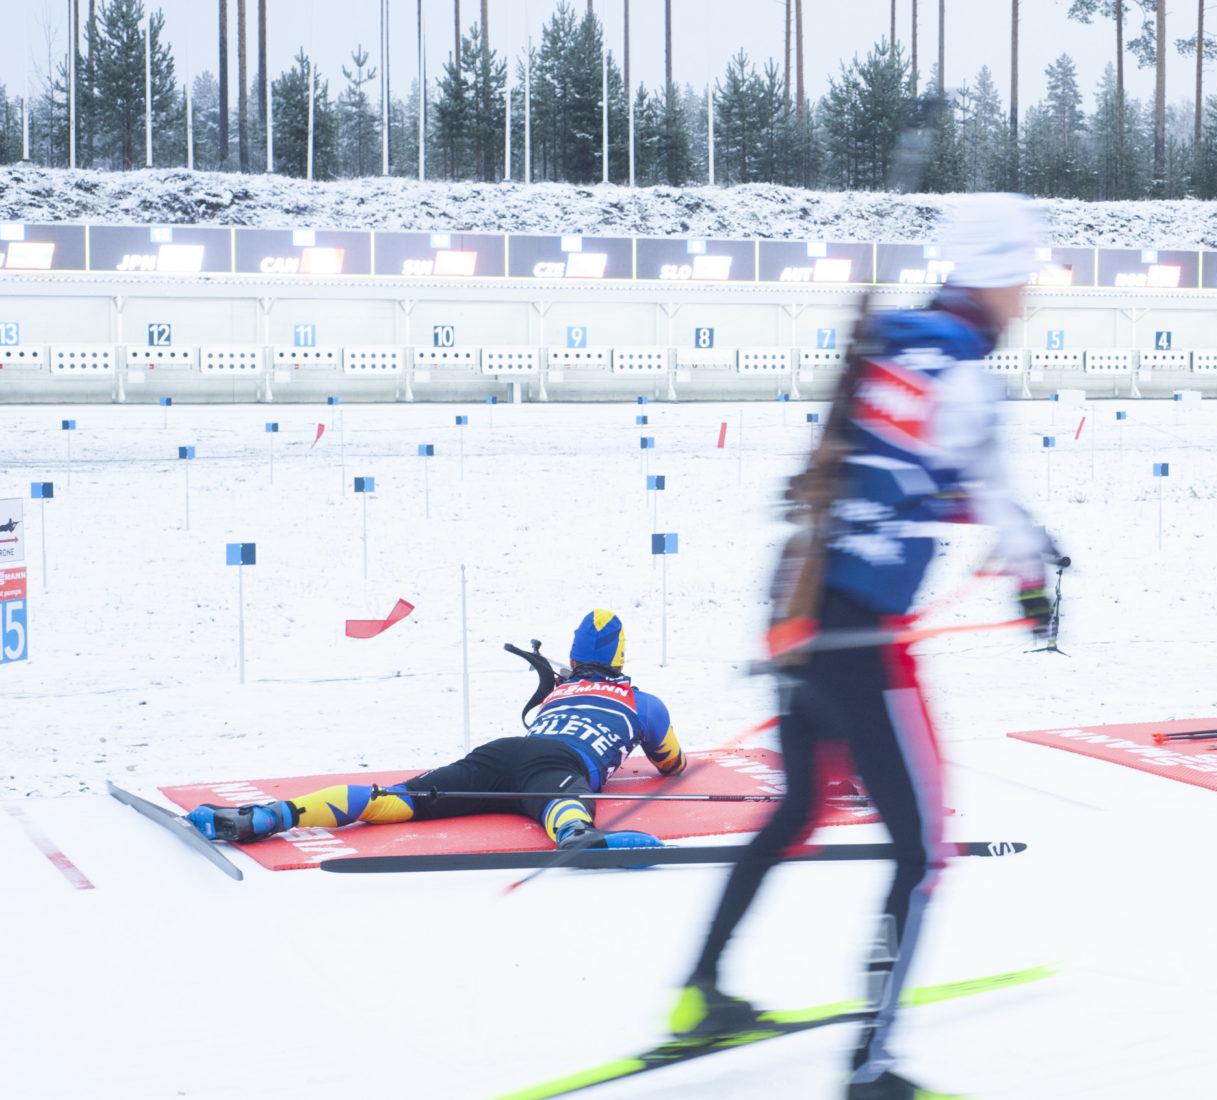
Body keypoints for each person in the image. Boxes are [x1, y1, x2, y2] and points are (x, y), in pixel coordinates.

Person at [667, 193, 1056, 1100]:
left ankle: (700, 995)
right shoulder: (964, 369)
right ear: (992, 276)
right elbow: (985, 490)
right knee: (922, 853)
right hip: (864, 639)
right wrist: (1034, 575)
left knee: (798, 809)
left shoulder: (890, 341)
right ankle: (872, 1070)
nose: (1028, 297)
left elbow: (897, 467)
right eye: (1024, 278)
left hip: (798, 617)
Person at [186, 610, 683, 852]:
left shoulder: (557, 693)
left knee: (397, 799)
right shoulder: (645, 704)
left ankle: (268, 814)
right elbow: (672, 763)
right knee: (562, 806)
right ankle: (579, 836)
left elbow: (562, 702)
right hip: (555, 767)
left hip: (499, 756)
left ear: (574, 659)